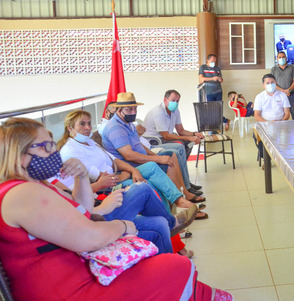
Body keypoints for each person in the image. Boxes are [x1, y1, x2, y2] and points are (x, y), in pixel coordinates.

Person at [0, 117, 232, 301]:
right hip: (68, 288)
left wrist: (81, 175)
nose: (54, 151)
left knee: (167, 247)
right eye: (47, 146)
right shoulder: (22, 194)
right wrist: (123, 226)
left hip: (80, 271)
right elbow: (88, 237)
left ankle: (172, 225)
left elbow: (82, 209)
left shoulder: (30, 187)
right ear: (20, 155)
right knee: (176, 267)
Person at [56, 110, 206, 218]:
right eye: (82, 124)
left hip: (119, 175)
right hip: (107, 187)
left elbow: (114, 160)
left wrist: (132, 171)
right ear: (70, 128)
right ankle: (170, 220)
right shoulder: (71, 151)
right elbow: (103, 179)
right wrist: (126, 174)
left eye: (89, 123)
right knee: (150, 185)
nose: (87, 127)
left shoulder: (90, 142)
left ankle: (179, 201)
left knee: (153, 167)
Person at [101, 93, 208, 214]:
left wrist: (154, 155)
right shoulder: (116, 128)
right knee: (165, 164)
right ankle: (180, 201)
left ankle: (184, 194)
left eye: (135, 108)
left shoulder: (127, 123)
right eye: (129, 109)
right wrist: (157, 159)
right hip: (130, 166)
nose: (133, 112)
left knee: (170, 156)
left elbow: (138, 144)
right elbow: (129, 155)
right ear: (119, 110)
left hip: (138, 160)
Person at [143, 89, 204, 194]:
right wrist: (188, 138)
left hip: (164, 138)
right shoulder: (158, 112)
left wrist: (194, 134)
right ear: (165, 100)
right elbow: (166, 136)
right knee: (180, 146)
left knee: (189, 144)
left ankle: (185, 180)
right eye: (173, 100)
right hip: (155, 141)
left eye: (177, 101)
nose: (175, 103)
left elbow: (180, 131)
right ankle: (186, 186)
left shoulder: (175, 111)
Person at [198, 53, 229, 130]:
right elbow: (201, 79)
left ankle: (218, 126)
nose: (213, 63)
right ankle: (223, 121)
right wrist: (212, 79)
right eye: (212, 61)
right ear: (207, 60)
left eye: (214, 61)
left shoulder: (217, 68)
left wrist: (219, 79)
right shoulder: (203, 67)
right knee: (211, 110)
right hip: (208, 92)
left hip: (218, 91)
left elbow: (221, 80)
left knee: (218, 109)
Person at [271, 51, 294, 120]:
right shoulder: (273, 69)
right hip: (279, 95)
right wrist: (283, 91)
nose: (281, 58)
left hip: (291, 94)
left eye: (283, 57)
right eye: (279, 57)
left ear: (286, 58)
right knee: (280, 115)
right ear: (277, 58)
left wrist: (289, 90)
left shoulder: (291, 68)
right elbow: (273, 82)